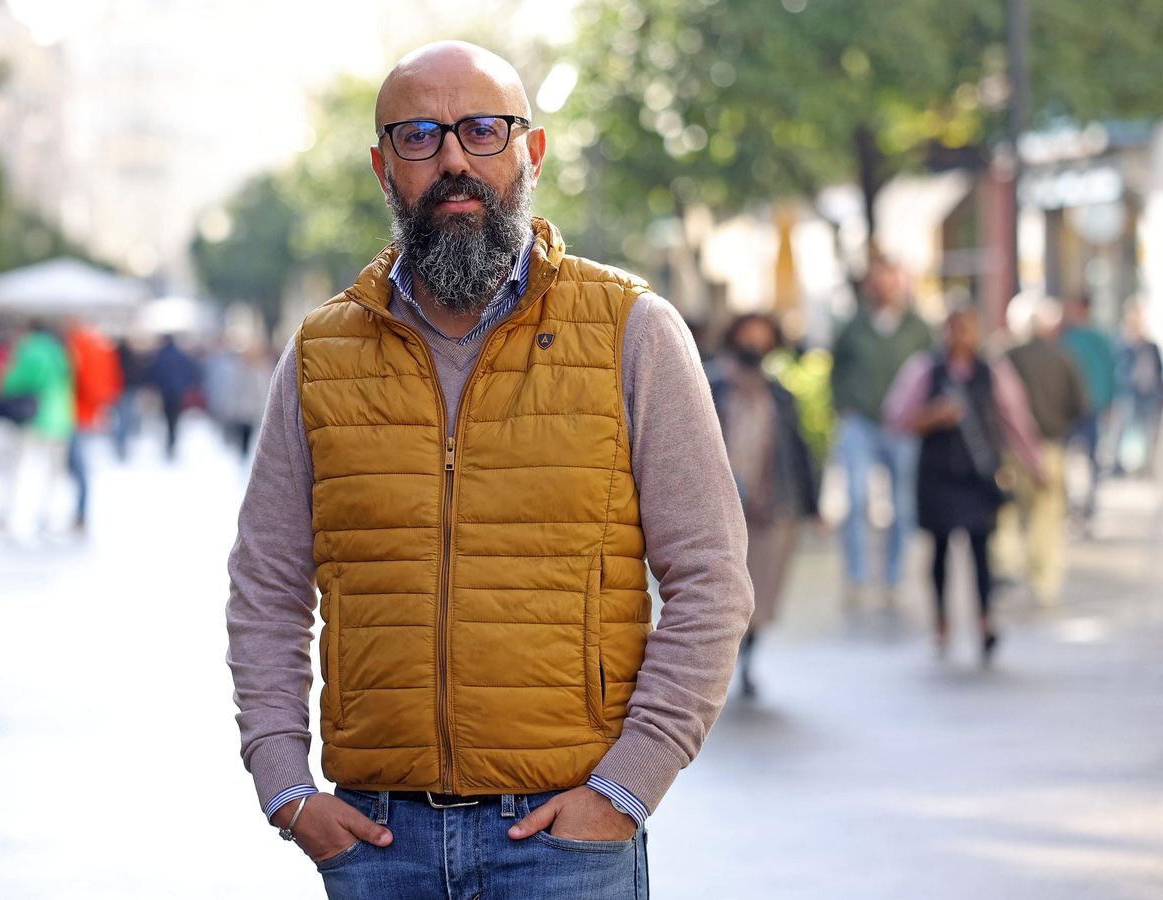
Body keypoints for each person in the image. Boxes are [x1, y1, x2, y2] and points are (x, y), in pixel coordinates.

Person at [225, 42, 752, 897]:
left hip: (565, 843)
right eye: (421, 135)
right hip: (375, 840)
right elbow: (267, 585)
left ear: (530, 152)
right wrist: (286, 787)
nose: (454, 161)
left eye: (482, 130)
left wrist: (626, 789)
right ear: (382, 166)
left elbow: (712, 579)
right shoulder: (323, 352)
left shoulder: (633, 331)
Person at [885, 309, 1042, 665]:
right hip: (938, 475)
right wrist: (933, 415)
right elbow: (896, 417)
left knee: (981, 550)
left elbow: (1015, 417)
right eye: (955, 329)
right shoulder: (925, 370)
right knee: (939, 551)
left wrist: (1035, 462)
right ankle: (942, 621)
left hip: (978, 476)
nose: (962, 337)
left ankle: (985, 620)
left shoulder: (993, 371)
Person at [709, 314, 820, 699]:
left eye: (763, 337)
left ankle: (747, 664)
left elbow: (799, 451)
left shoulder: (780, 395)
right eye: (748, 336)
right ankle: (716, 669)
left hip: (771, 507)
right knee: (719, 591)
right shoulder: (710, 385)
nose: (754, 344)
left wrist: (813, 504)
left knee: (758, 593)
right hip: (717, 509)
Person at [829, 257, 933, 608]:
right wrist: (843, 405)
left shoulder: (918, 327)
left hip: (902, 427)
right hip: (860, 422)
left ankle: (892, 578)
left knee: (901, 506)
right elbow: (837, 368)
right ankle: (857, 577)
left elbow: (930, 372)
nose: (884, 287)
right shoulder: (853, 326)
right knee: (857, 499)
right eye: (877, 280)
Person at [997, 295, 1087, 606]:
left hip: (1011, 449)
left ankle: (1008, 567)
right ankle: (1043, 580)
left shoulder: (1007, 357)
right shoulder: (1062, 357)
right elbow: (1079, 404)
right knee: (1046, 516)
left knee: (1009, 510)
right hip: (1047, 445)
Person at [0, 322, 74, 541]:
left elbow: (12, 382)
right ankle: (47, 515)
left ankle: (11, 513)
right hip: (59, 417)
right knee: (53, 472)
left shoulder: (30, 350)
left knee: (19, 467)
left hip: (33, 416)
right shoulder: (60, 351)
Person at [1060, 295, 1118, 531]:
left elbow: (1110, 372)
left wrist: (1108, 403)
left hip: (1089, 407)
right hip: (1072, 409)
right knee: (1071, 459)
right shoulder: (1068, 338)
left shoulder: (1095, 339)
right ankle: (1073, 507)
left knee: (1089, 459)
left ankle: (1087, 508)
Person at [65, 321, 122, 532]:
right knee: (78, 466)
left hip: (74, 412)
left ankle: (79, 513)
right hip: (84, 413)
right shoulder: (99, 346)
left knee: (76, 466)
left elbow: (88, 382)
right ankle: (79, 512)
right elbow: (110, 383)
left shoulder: (80, 346)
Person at [1114, 299, 1162, 476]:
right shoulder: (1123, 344)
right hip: (1128, 393)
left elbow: (1157, 370)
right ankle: (1122, 465)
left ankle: (1145, 465)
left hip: (1149, 394)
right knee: (1124, 427)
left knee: (1149, 430)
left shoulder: (1150, 345)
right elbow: (1118, 369)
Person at [147, 333, 198, 461]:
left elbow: (155, 371)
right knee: (174, 418)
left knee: (167, 417)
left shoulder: (161, 355)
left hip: (165, 392)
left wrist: (156, 385)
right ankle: (172, 440)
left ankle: (169, 441)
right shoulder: (180, 355)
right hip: (178, 392)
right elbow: (189, 371)